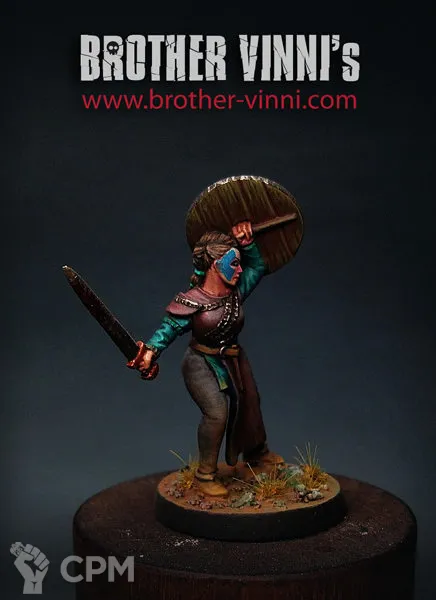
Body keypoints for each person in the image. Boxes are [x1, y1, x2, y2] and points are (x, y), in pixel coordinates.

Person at [138, 221, 283, 496]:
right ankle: (205, 475)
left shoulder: (235, 293)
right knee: (217, 413)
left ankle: (256, 454)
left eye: (239, 264)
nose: (239, 270)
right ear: (216, 264)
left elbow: (257, 267)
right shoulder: (192, 300)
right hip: (200, 362)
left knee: (250, 402)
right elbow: (169, 328)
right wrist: (150, 352)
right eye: (234, 264)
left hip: (234, 360)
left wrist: (248, 244)